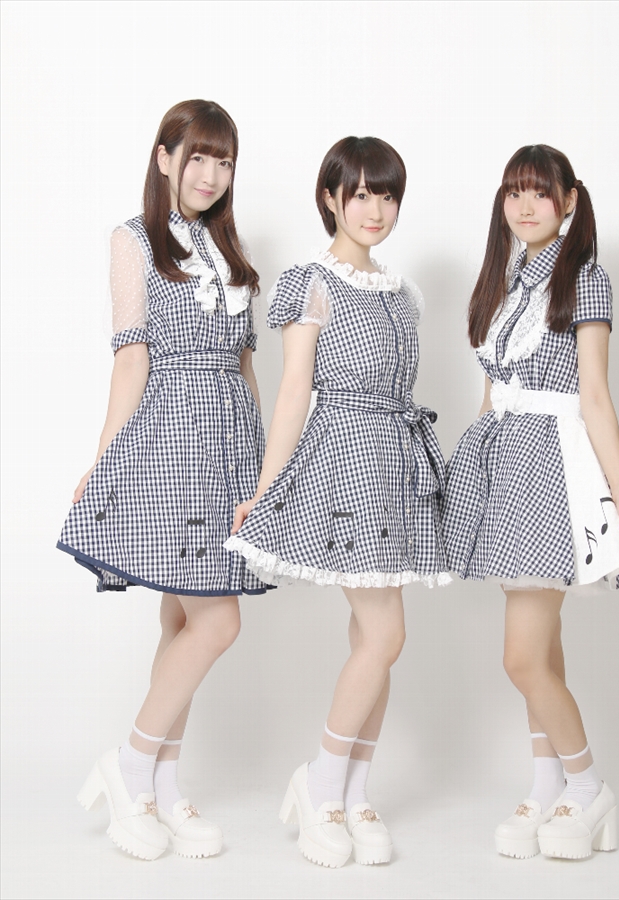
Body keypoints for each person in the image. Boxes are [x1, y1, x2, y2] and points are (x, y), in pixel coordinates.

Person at [225, 136, 450, 867]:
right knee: (387, 636)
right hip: (343, 461)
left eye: (386, 195)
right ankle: (320, 784)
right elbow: (294, 390)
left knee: (372, 641)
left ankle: (353, 793)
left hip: (395, 465)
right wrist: (266, 487)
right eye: (359, 194)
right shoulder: (311, 282)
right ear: (331, 198)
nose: (374, 209)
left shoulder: (404, 292)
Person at [58, 99, 268, 860]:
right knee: (219, 621)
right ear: (164, 157)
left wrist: (263, 469)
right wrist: (103, 458)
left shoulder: (232, 252)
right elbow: (131, 358)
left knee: (184, 620)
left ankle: (159, 788)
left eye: (224, 161)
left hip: (230, 445)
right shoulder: (134, 239)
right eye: (197, 157)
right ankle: (130, 765)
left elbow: (246, 367)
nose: (210, 175)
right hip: (170, 439)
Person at [443, 144, 619, 860]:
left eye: (539, 192)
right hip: (504, 465)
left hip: (553, 472)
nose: (525, 206)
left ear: (569, 200)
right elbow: (493, 392)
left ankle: (588, 787)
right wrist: (474, 477)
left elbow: (594, 396)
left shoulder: (585, 277)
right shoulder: (507, 280)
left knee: (521, 657)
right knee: (544, 651)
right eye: (513, 192)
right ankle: (547, 784)